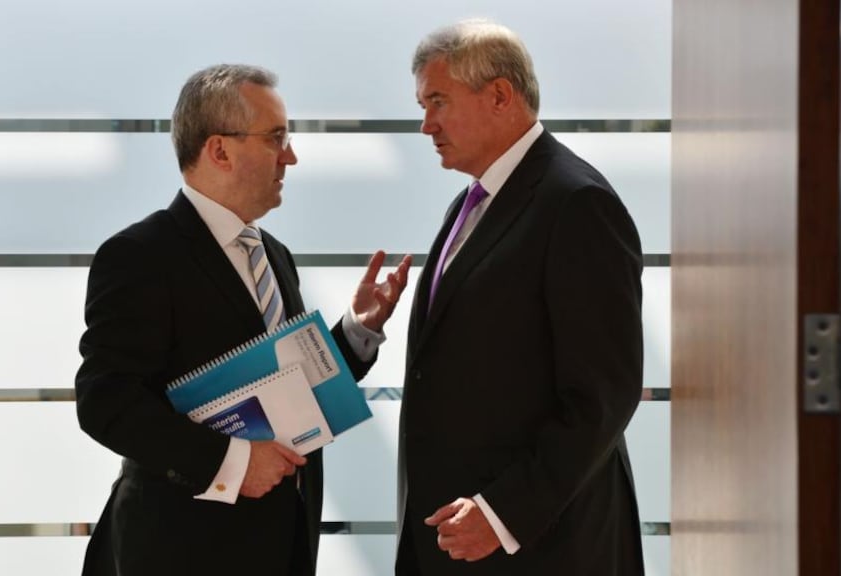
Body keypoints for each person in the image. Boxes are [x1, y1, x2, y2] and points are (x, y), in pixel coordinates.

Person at [75, 63, 412, 576]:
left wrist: (356, 332)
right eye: (276, 138)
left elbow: (287, 384)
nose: (291, 156)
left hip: (280, 543)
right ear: (220, 150)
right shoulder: (140, 255)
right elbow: (105, 402)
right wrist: (233, 462)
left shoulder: (274, 254)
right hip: (178, 551)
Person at [397, 19, 645, 575]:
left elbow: (602, 396)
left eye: (437, 101)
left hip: (541, 546)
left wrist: (503, 512)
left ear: (500, 95)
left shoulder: (578, 203)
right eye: (422, 105)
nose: (426, 125)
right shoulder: (474, 201)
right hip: (457, 538)